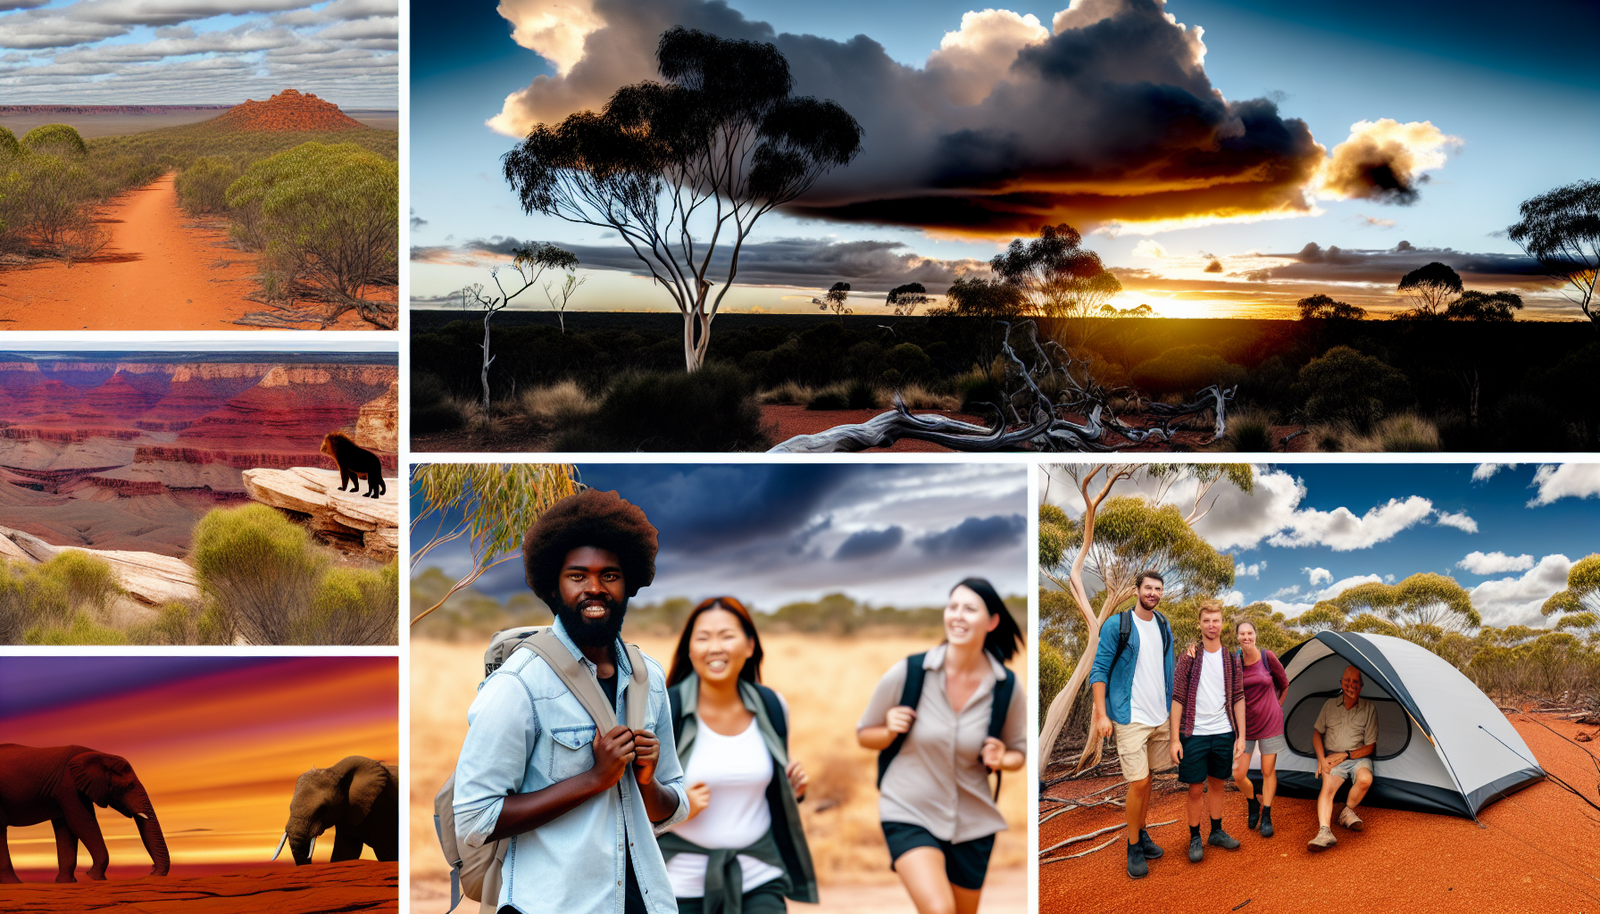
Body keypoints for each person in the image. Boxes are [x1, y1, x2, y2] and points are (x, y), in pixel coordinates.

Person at [453, 488, 688, 914]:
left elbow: (671, 807)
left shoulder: (648, 678)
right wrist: (593, 779)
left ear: (629, 582)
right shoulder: (519, 684)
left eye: (610, 576)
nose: (594, 588)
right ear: (554, 585)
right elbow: (474, 819)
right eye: (577, 576)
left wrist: (648, 781)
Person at [857, 578, 1026, 914]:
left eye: (969, 608)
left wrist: (1002, 757)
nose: (957, 616)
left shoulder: (1006, 687)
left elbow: (1018, 752)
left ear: (992, 622)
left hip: (973, 823)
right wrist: (889, 729)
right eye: (952, 607)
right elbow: (865, 734)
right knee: (938, 909)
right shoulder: (909, 672)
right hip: (909, 810)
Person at [660, 597, 817, 914]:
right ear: (689, 650)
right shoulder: (665, 710)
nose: (714, 647)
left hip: (760, 876)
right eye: (702, 637)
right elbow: (632, 799)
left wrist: (792, 790)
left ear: (749, 646)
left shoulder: (772, 705)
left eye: (727, 636)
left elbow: (766, 786)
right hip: (679, 884)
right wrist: (677, 807)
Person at [1087, 570, 1175, 879]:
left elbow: (1168, 670)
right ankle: (1133, 844)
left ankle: (1143, 831)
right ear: (1137, 591)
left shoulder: (1164, 626)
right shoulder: (1118, 625)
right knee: (1137, 782)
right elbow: (1098, 669)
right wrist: (1101, 713)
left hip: (1158, 717)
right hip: (1130, 717)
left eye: (1158, 589)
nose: (1153, 592)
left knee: (1148, 779)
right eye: (1148, 587)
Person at [1168, 600, 1247, 863]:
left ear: (1222, 624)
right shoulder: (1189, 658)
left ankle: (1216, 831)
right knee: (1194, 788)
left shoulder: (1232, 659)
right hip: (1194, 733)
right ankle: (1194, 837)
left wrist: (1241, 736)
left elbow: (1238, 697)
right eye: (1207, 620)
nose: (1211, 625)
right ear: (1200, 624)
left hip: (1224, 732)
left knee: (1217, 784)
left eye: (1216, 620)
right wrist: (1174, 739)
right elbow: (1177, 697)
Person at [1308, 665, 1378, 852]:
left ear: (1361, 686)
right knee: (1328, 787)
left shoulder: (1369, 708)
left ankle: (1346, 812)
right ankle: (1324, 831)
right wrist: (1322, 760)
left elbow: (1370, 747)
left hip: (1358, 758)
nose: (1351, 685)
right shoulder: (1330, 705)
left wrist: (1346, 755)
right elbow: (1317, 733)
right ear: (1341, 683)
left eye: (1355, 682)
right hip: (1332, 758)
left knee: (1365, 779)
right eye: (1347, 681)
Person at [1233, 621, 1288, 838]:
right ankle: (1252, 802)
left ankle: (1267, 812)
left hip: (1271, 723)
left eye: (1249, 633)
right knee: (1238, 773)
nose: (1246, 637)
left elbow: (1284, 684)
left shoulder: (1268, 657)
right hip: (1246, 726)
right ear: (1237, 637)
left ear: (1255, 635)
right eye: (1242, 633)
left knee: (1267, 771)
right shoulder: (1235, 662)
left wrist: (1278, 706)